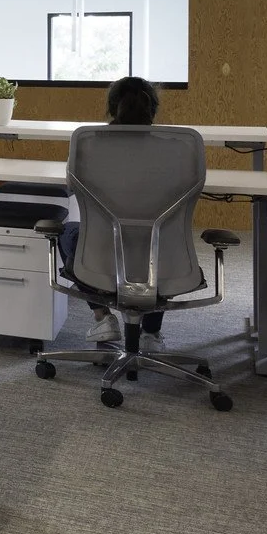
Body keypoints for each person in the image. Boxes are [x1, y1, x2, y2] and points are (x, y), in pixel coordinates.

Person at [64, 76, 169, 348]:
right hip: (159, 258)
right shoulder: (173, 148)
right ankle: (150, 333)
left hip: (100, 257)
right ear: (152, 109)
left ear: (112, 108)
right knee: (163, 241)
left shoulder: (89, 145)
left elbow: (71, 186)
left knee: (68, 233)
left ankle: (102, 319)